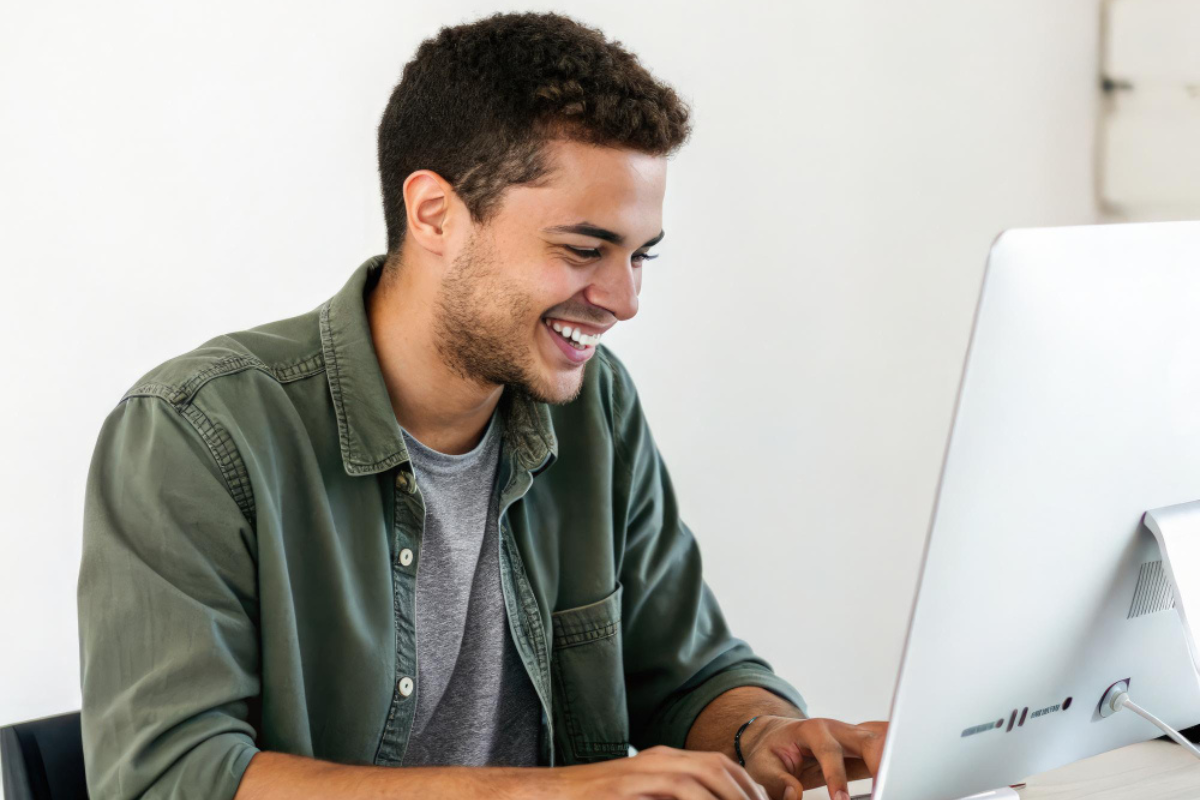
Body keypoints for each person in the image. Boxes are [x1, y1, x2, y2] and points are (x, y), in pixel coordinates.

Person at [77, 10, 887, 800]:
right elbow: (167, 778)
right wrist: (555, 792)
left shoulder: (593, 405)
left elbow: (687, 672)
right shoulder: (198, 432)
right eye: (584, 249)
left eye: (641, 256)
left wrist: (762, 732)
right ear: (435, 213)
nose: (623, 300)